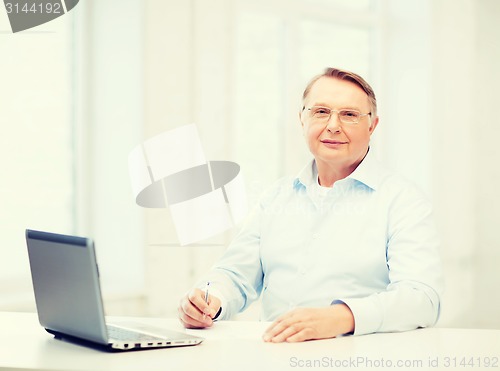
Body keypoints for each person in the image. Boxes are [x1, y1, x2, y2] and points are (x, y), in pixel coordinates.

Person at [178, 67, 444, 342]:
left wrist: (342, 318)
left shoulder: (403, 200)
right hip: (273, 358)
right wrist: (208, 301)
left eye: (349, 115)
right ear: (302, 119)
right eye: (320, 112)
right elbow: (234, 275)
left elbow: (422, 298)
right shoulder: (276, 197)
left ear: (372, 125)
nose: (333, 125)